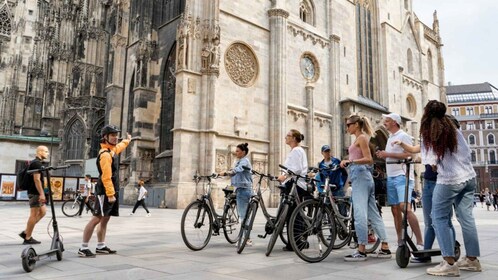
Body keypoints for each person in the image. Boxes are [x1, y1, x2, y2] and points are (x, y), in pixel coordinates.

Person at [417, 100, 480, 276]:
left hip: (450, 179)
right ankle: (472, 260)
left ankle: (449, 263)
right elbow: (467, 152)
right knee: (466, 218)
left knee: (438, 217)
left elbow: (430, 161)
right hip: (469, 177)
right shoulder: (452, 127)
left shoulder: (430, 130)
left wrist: (437, 164)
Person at [340, 115, 391, 261]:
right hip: (364, 177)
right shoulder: (359, 138)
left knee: (360, 214)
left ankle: (361, 249)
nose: (347, 127)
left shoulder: (361, 138)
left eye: (349, 124)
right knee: (373, 213)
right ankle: (385, 247)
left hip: (361, 177)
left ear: (356, 124)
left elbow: (369, 158)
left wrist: (350, 161)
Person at [78, 125, 131, 258]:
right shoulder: (105, 155)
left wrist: (127, 141)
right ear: (105, 137)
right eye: (112, 135)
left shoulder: (111, 151)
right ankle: (83, 247)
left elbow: (118, 148)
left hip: (110, 190)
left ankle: (100, 246)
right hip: (105, 191)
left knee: (105, 219)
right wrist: (111, 194)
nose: (115, 137)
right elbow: (106, 177)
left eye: (116, 135)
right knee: (96, 218)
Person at [376, 113, 424, 248]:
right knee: (395, 210)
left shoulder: (403, 136)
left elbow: (410, 154)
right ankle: (400, 241)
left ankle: (420, 242)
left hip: (402, 176)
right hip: (391, 177)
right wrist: (383, 156)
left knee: (405, 208)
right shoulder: (390, 137)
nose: (384, 122)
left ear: (395, 122)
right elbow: (391, 157)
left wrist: (388, 154)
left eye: (387, 120)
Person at [277, 129, 308, 251]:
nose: (286, 137)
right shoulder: (295, 151)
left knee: (294, 215)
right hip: (293, 184)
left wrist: (285, 176)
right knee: (292, 214)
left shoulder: (297, 150)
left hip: (296, 185)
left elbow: (297, 169)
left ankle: (297, 242)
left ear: (294, 138)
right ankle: (294, 242)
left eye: (288, 136)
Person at [19, 146, 49, 244]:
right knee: (33, 215)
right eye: (46, 151)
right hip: (35, 192)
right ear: (40, 152)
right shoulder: (36, 163)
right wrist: (42, 194)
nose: (48, 153)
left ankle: (26, 232)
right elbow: (36, 180)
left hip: (35, 192)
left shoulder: (36, 162)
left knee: (43, 211)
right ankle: (28, 237)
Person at [224, 143, 253, 246]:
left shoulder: (244, 161)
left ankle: (247, 239)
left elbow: (238, 170)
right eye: (235, 151)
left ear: (243, 152)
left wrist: (228, 172)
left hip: (244, 190)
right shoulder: (239, 161)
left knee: (243, 215)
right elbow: (235, 174)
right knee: (243, 215)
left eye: (237, 151)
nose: (235, 152)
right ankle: (246, 237)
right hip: (239, 189)